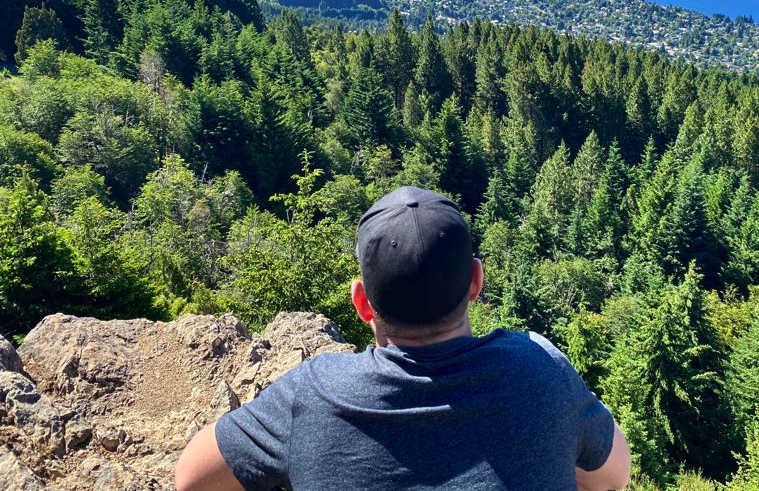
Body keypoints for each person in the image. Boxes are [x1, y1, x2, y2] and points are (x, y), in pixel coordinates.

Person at [175, 186, 631, 491]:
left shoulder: (312, 395)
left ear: (362, 303)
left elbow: (190, 478)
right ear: (476, 282)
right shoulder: (540, 369)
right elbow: (613, 476)